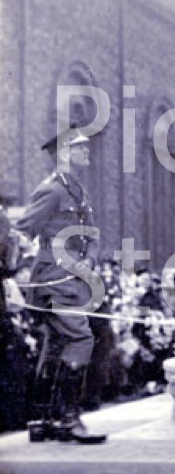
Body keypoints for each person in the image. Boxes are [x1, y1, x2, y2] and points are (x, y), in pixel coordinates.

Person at [16, 127, 107, 443]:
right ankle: (68, 419)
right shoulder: (52, 191)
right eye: (81, 148)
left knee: (55, 344)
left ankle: (43, 419)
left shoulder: (77, 191)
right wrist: (18, 273)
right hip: (54, 280)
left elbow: (91, 234)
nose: (87, 152)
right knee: (80, 338)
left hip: (72, 282)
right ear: (66, 153)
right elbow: (23, 231)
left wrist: (90, 262)